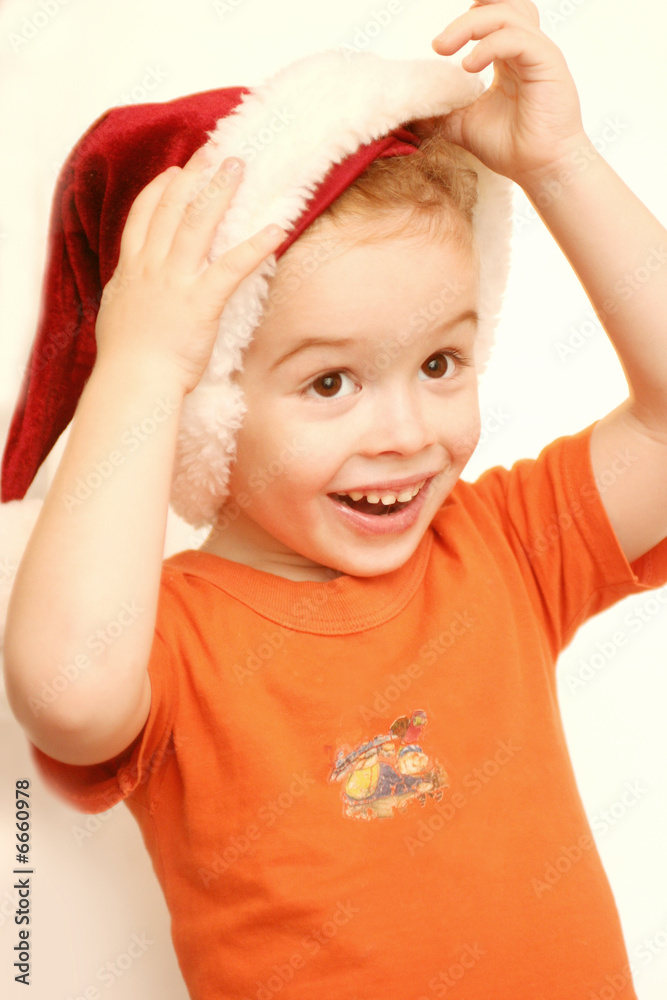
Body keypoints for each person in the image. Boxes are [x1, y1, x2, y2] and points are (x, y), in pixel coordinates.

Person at [3, 1, 667, 997]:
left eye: (441, 360)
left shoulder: (502, 547)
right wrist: (141, 364)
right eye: (329, 382)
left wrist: (560, 160)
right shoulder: (173, 637)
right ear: (204, 409)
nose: (405, 432)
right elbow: (67, 693)